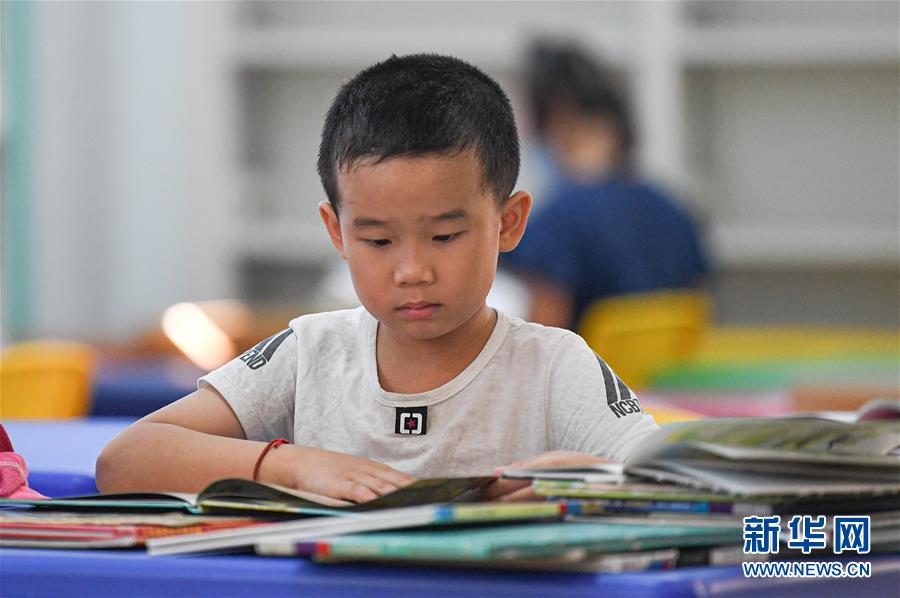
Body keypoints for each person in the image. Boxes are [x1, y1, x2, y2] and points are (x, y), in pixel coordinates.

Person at [96, 54, 657, 503]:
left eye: (444, 236)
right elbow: (125, 459)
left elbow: (682, 481)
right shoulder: (310, 352)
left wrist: (591, 480)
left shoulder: (555, 366)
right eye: (379, 242)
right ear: (337, 232)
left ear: (507, 223)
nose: (412, 272)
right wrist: (294, 465)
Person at [504, 41, 709, 330]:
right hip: (662, 362)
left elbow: (543, 333)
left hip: (589, 360)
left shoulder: (558, 221)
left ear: (555, 119)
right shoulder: (671, 209)